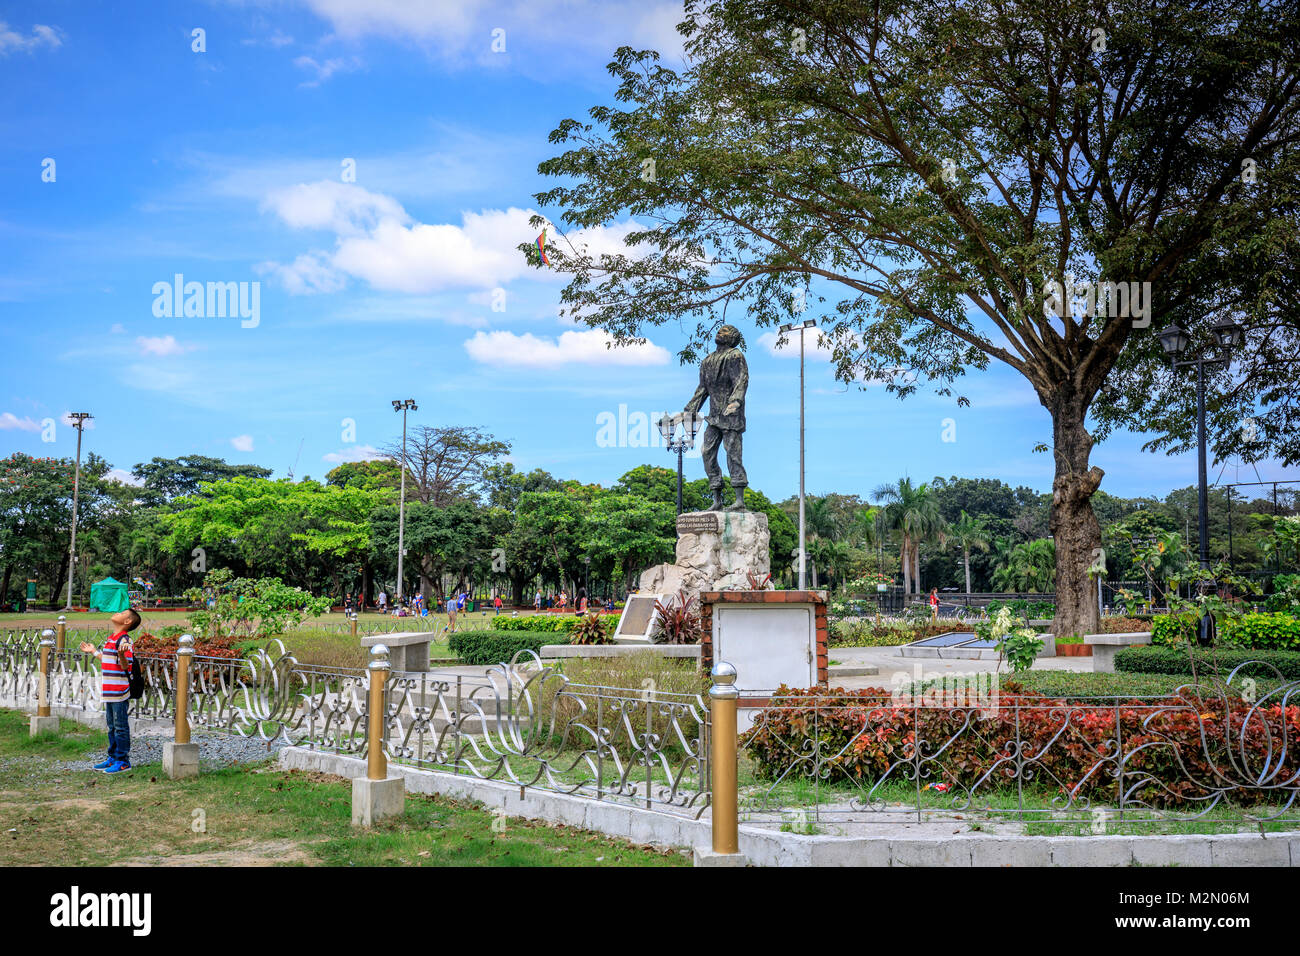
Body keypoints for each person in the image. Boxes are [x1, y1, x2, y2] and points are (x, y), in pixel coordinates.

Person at [79, 608, 142, 774]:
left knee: (120, 726)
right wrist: (93, 651)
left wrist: (122, 655)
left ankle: (123, 760)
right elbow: (107, 659)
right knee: (112, 726)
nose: (117, 613)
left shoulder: (125, 640)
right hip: (109, 690)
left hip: (119, 691)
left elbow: (124, 666)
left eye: (121, 613)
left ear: (127, 621)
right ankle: (113, 757)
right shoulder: (112, 639)